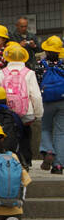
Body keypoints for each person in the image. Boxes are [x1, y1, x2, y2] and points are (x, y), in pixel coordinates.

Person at [0, 42, 42, 169]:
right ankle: (26, 159)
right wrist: (38, 113)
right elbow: (36, 95)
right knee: (25, 134)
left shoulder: (2, 73)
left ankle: (11, 159)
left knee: (8, 134)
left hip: (7, 111)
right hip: (26, 111)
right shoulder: (29, 73)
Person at [38, 35, 64, 175]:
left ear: (46, 51)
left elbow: (37, 84)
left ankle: (48, 150)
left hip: (47, 101)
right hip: (62, 100)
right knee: (60, 132)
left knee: (46, 128)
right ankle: (58, 166)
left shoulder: (40, 65)